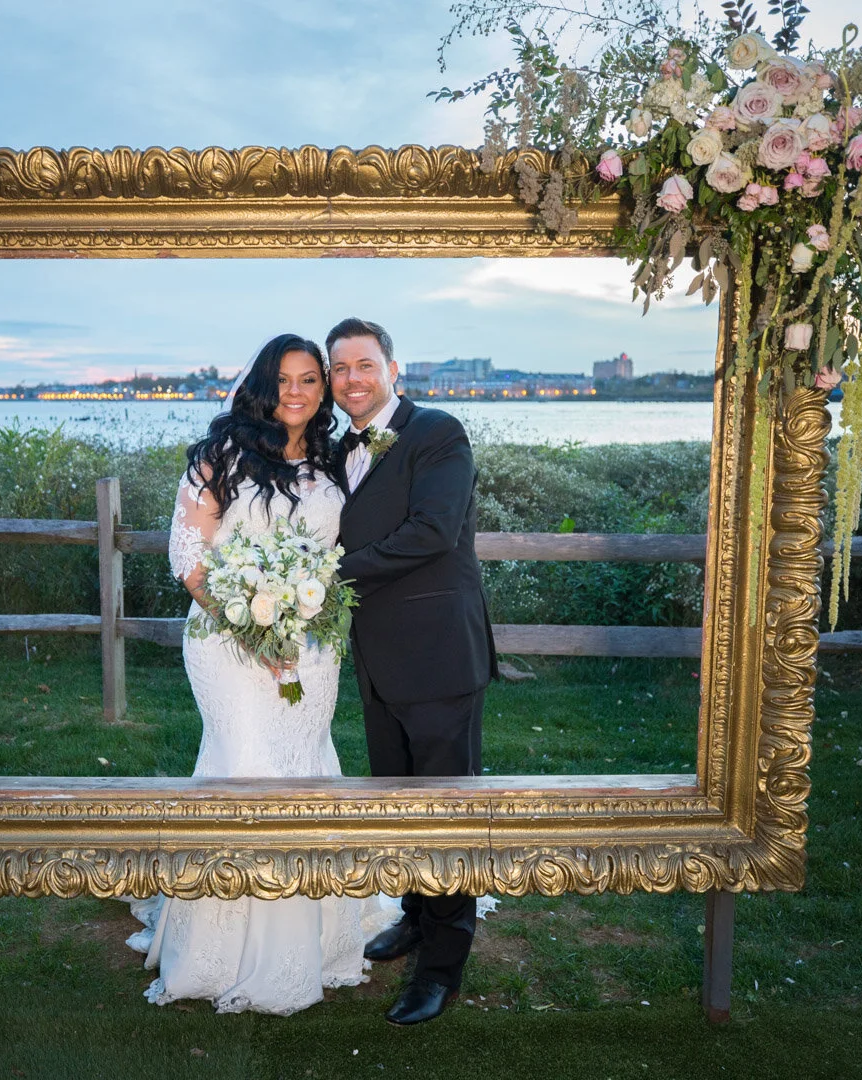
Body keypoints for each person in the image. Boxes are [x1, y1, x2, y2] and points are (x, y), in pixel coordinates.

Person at [126, 332, 396, 1015]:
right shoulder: (220, 456)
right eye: (283, 380)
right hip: (227, 643)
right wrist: (251, 624)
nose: (295, 392)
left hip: (312, 648)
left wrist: (299, 618)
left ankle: (315, 936)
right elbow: (188, 557)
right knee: (243, 766)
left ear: (324, 389)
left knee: (305, 770)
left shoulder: (335, 459)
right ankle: (219, 946)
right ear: (260, 385)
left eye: (309, 379)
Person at [327, 316, 498, 1026]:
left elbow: (433, 530)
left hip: (437, 656)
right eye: (340, 368)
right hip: (377, 660)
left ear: (392, 370)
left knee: (445, 812)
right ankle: (414, 915)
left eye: (364, 364)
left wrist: (331, 573)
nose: (351, 379)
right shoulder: (337, 446)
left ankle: (441, 969)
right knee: (399, 802)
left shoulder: (437, 432)